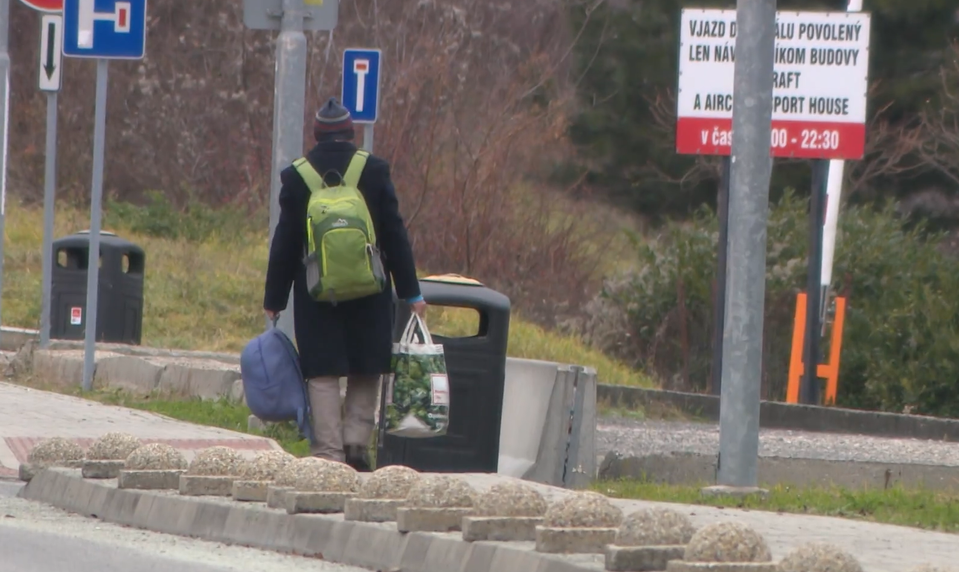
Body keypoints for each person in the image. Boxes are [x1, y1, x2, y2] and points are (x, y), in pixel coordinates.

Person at [263, 97, 426, 471]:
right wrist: (411, 291)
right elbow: (395, 235)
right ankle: (356, 445)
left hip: (316, 290)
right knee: (366, 365)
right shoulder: (374, 170)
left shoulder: (297, 177)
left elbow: (285, 242)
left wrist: (275, 298)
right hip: (370, 288)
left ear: (317, 136)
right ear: (351, 135)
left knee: (321, 371)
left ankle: (328, 452)